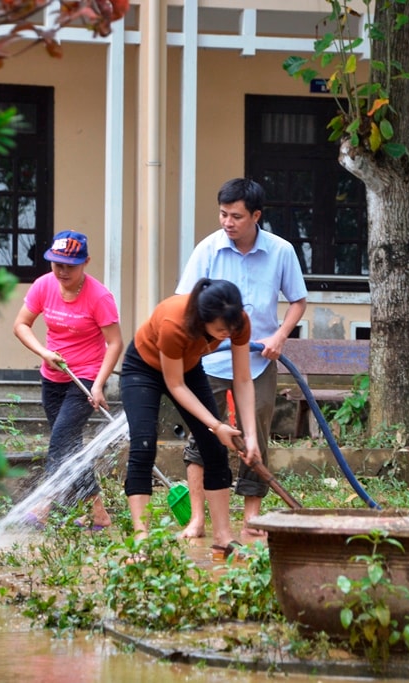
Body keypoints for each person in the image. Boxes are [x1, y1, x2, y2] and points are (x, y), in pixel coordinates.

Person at [175, 178, 307, 541]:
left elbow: (298, 300)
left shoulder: (280, 251)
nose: (227, 222)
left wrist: (280, 335)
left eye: (236, 216)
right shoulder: (207, 250)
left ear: (256, 216)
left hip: (258, 358)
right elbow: (184, 301)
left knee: (256, 434)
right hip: (211, 359)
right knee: (202, 433)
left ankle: (251, 519)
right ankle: (198, 520)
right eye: (223, 214)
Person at [120, 278, 261, 557]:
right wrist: (216, 424)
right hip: (143, 369)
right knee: (144, 445)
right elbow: (175, 385)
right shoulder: (175, 322)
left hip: (188, 366)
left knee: (214, 448)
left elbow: (243, 379)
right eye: (221, 330)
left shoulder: (238, 320)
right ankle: (141, 542)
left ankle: (223, 538)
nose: (227, 334)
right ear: (202, 319)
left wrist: (251, 436)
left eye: (231, 329)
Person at [13, 230, 123, 530]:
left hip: (84, 378)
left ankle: (44, 504)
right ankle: (99, 514)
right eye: (56, 264)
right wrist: (44, 352)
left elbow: (115, 343)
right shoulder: (43, 286)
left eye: (70, 266)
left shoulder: (99, 297)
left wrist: (99, 384)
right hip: (52, 377)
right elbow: (21, 324)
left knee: (61, 438)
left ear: (85, 262)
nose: (62, 271)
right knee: (70, 444)